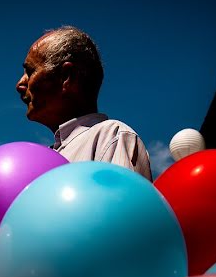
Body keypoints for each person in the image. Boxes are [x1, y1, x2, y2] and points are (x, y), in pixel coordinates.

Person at [15, 25, 153, 180]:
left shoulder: (110, 136)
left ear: (66, 76)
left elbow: (127, 203)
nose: (20, 84)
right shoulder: (40, 162)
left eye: (30, 71)